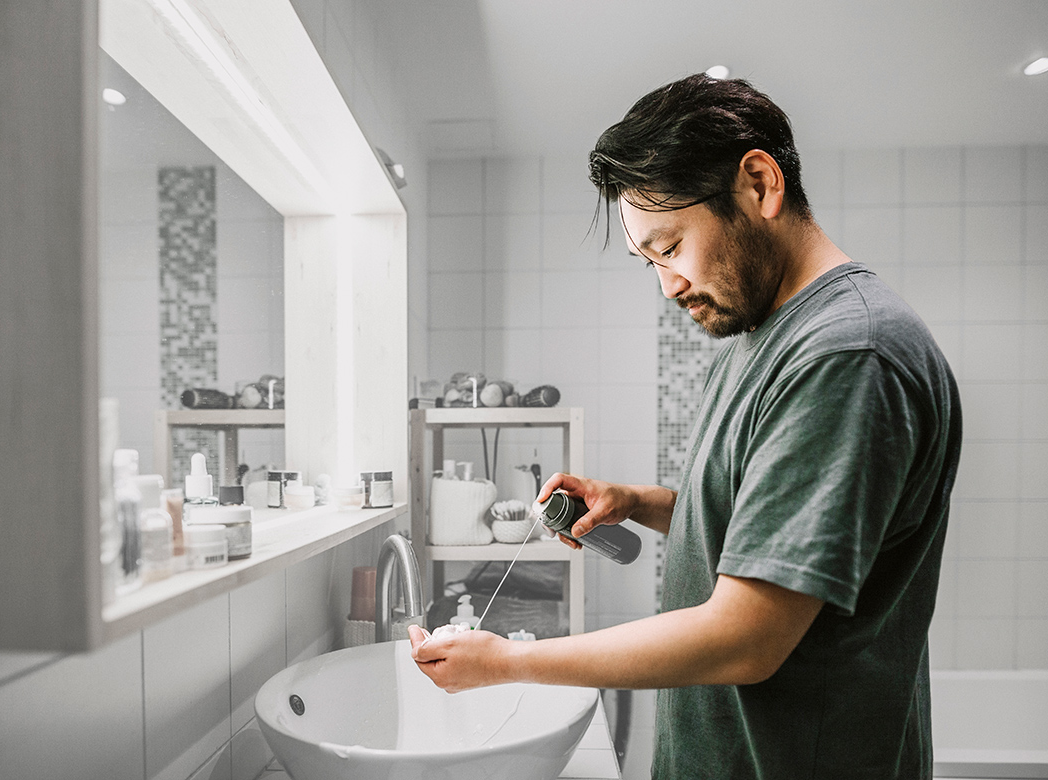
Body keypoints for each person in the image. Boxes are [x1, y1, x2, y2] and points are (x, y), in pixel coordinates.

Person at [408, 73, 962, 780]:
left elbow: (747, 637)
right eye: (649, 262)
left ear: (759, 184)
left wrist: (509, 662)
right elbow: (765, 532)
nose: (667, 284)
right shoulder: (760, 341)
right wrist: (637, 504)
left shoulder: (849, 356)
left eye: (670, 247)